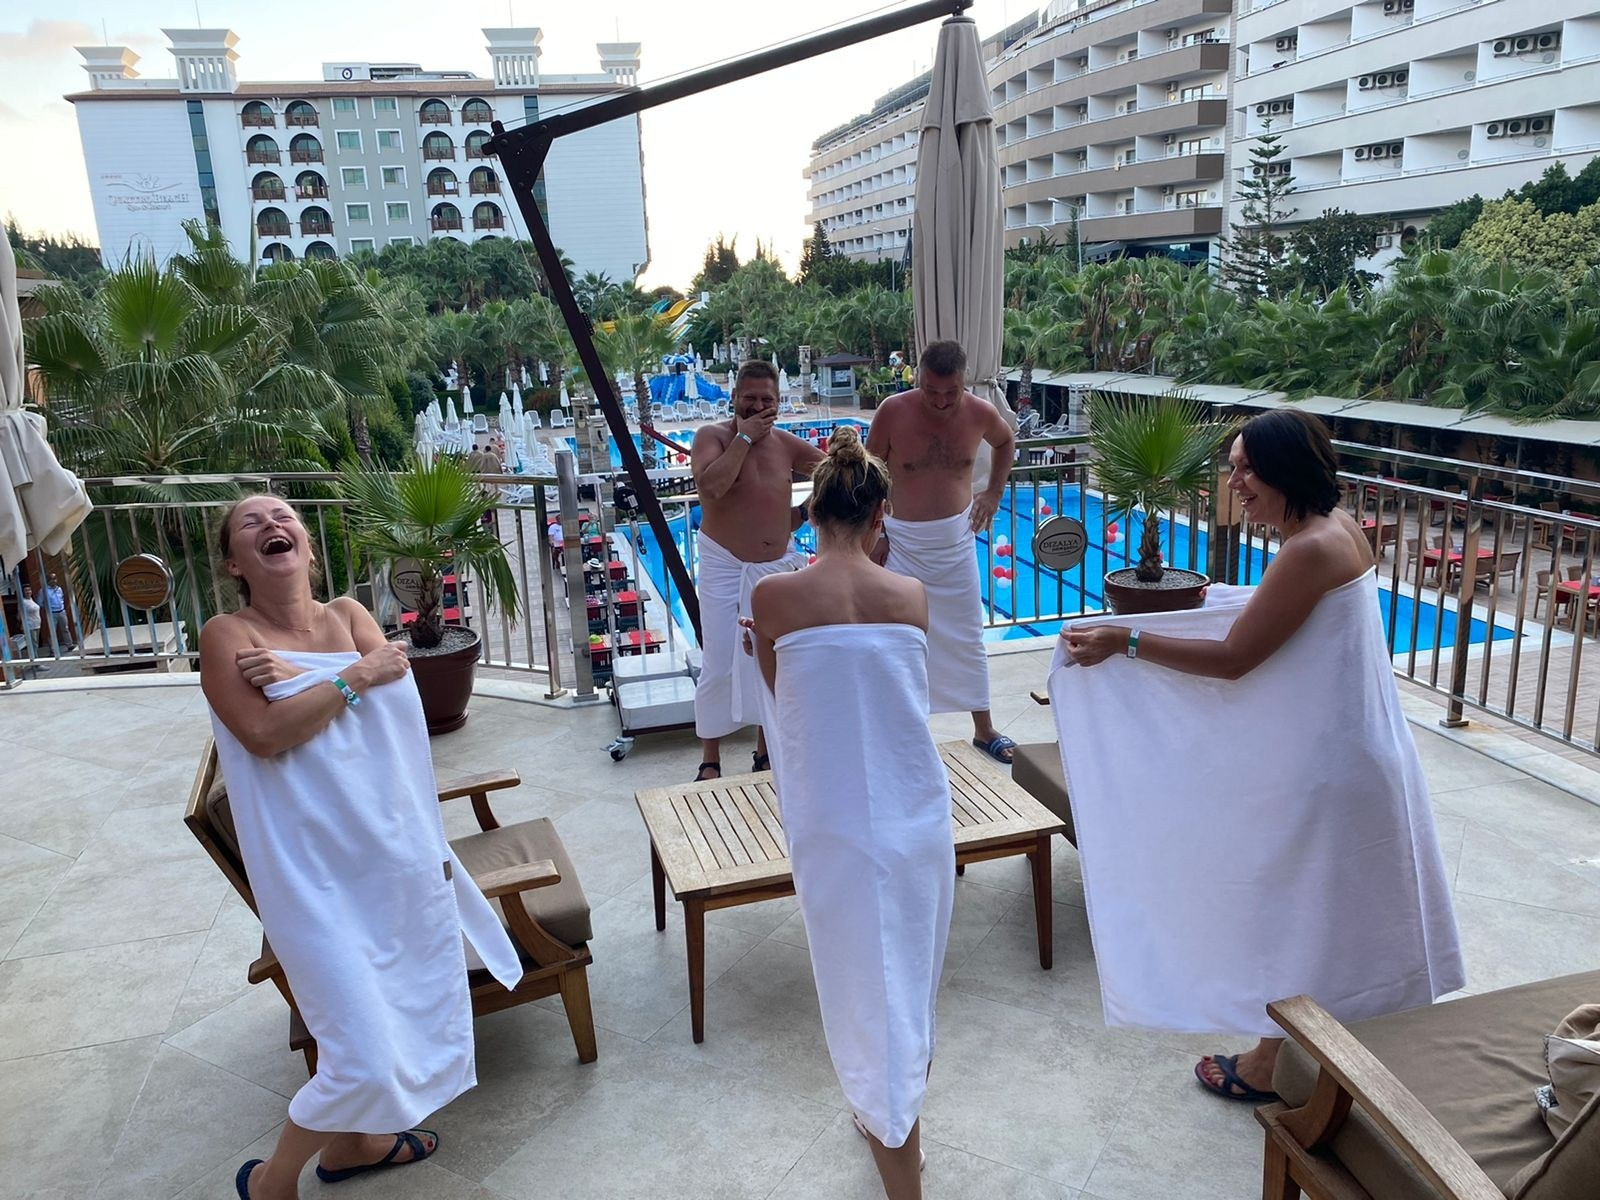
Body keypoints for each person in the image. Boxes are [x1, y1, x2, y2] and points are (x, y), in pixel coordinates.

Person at [1061, 408, 1464, 1102]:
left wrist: (1125, 641)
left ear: (1285, 470)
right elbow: (1295, 617)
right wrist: (1221, 601)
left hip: (1333, 770)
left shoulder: (1308, 549)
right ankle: (1289, 1055)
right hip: (1362, 753)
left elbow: (1235, 658)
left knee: (1291, 910)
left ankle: (1270, 1065)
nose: (1234, 482)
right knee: (1324, 915)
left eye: (1247, 468)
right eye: (1234, 467)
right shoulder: (1337, 529)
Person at [201, 495, 521, 1200]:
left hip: (384, 852)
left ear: (307, 545)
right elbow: (266, 735)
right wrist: (350, 676)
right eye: (251, 523)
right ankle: (271, 1181)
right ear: (234, 564)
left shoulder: (348, 615)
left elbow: (400, 691)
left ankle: (354, 1145)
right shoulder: (228, 635)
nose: (272, 525)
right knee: (362, 1053)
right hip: (307, 872)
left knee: (408, 999)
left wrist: (306, 682)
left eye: (282, 516)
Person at [744, 426, 952, 1200]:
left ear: (812, 512)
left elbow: (785, 698)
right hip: (917, 815)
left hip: (833, 826)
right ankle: (889, 1120)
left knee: (865, 993)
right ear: (880, 516)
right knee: (907, 988)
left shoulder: (772, 598)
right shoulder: (911, 596)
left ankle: (897, 1153)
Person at [867, 340, 1017, 763]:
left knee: (968, 635)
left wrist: (994, 492)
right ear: (919, 378)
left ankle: (984, 729)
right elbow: (870, 472)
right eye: (931, 390)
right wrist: (877, 533)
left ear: (963, 381)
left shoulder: (980, 413)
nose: (940, 401)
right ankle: (901, 731)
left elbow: (1006, 441)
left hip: (956, 542)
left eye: (950, 392)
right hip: (903, 542)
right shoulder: (893, 411)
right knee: (900, 637)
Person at [688, 359, 824, 781]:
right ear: (734, 398)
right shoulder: (712, 437)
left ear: (779, 401)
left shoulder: (785, 444)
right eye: (750, 398)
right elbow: (711, 486)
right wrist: (744, 437)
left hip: (775, 567)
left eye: (767, 399)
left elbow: (837, 470)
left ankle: (765, 752)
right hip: (724, 565)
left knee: (772, 657)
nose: (759, 406)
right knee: (718, 661)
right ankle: (710, 758)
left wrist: (804, 512)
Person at [42, 573, 73, 649]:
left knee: (65, 629)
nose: (54, 581)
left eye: (55, 579)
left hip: (61, 612)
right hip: (52, 613)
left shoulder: (59, 589)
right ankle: (53, 649)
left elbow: (62, 599)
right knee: (52, 631)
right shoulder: (44, 590)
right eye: (51, 579)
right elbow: (40, 602)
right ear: (48, 580)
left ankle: (69, 645)